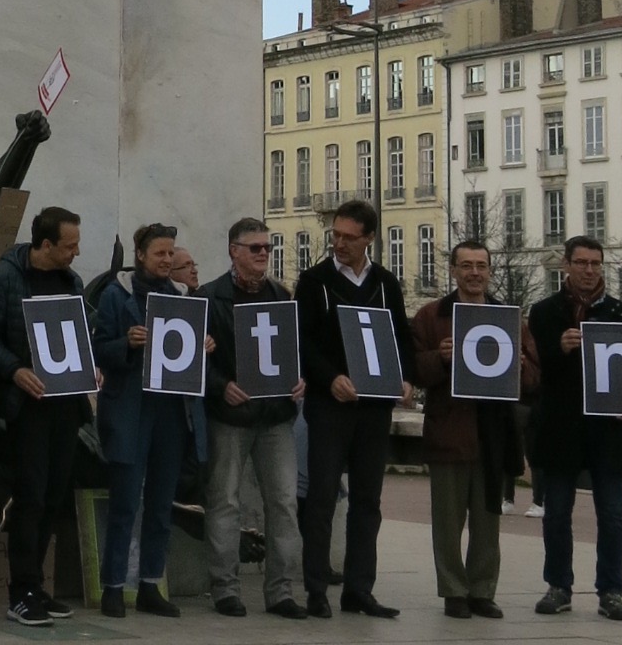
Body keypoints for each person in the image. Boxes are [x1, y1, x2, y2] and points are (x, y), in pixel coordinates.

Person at [296, 198, 414, 621]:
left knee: (368, 500)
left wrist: (405, 378)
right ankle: (315, 588)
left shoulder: (386, 284)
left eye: (349, 237)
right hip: (331, 404)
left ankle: (360, 589)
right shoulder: (313, 282)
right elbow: (303, 342)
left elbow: (400, 337)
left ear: (369, 238)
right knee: (323, 496)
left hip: (374, 408)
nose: (340, 244)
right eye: (336, 236)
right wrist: (330, 378)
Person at [408, 240, 536, 618]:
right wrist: (440, 358)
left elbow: (532, 379)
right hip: (449, 429)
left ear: (490, 271)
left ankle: (482, 590)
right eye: (466, 265)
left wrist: (522, 366)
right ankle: (453, 591)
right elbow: (413, 369)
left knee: (487, 520)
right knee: (447, 520)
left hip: (493, 432)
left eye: (481, 265)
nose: (475, 272)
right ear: (453, 270)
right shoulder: (431, 316)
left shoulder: (508, 317)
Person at [199, 218, 308, 620]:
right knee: (225, 501)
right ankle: (224, 588)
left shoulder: (281, 295)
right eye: (255, 248)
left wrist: (300, 379)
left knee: (282, 502)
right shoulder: (210, 298)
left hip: (276, 416)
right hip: (230, 415)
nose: (264, 254)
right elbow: (192, 358)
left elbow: (294, 351)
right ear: (234, 251)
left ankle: (280, 591)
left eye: (268, 247)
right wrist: (219, 385)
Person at [0, 205, 87, 626]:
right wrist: (14, 370)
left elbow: (80, 331)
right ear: (46, 245)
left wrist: (88, 363)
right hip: (28, 408)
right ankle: (20, 590)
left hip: (66, 404)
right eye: (70, 246)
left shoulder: (71, 280)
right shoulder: (6, 277)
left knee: (55, 496)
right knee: (31, 497)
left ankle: (37, 586)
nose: (76, 253)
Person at [528, 237, 622, 622]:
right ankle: (558, 585)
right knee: (556, 512)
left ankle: (611, 591)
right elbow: (534, 371)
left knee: (612, 516)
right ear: (566, 265)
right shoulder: (543, 313)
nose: (589, 270)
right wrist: (558, 347)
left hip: (608, 430)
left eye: (595, 263)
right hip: (560, 426)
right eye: (581, 262)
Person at [93, 223, 187, 622]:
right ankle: (113, 587)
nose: (166, 261)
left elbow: (188, 351)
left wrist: (203, 347)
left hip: (170, 410)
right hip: (130, 408)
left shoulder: (183, 297)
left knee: (162, 503)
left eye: (171, 254)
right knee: (126, 502)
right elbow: (96, 350)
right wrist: (125, 345)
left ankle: (150, 583)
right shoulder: (116, 295)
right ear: (141, 256)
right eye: (160, 254)